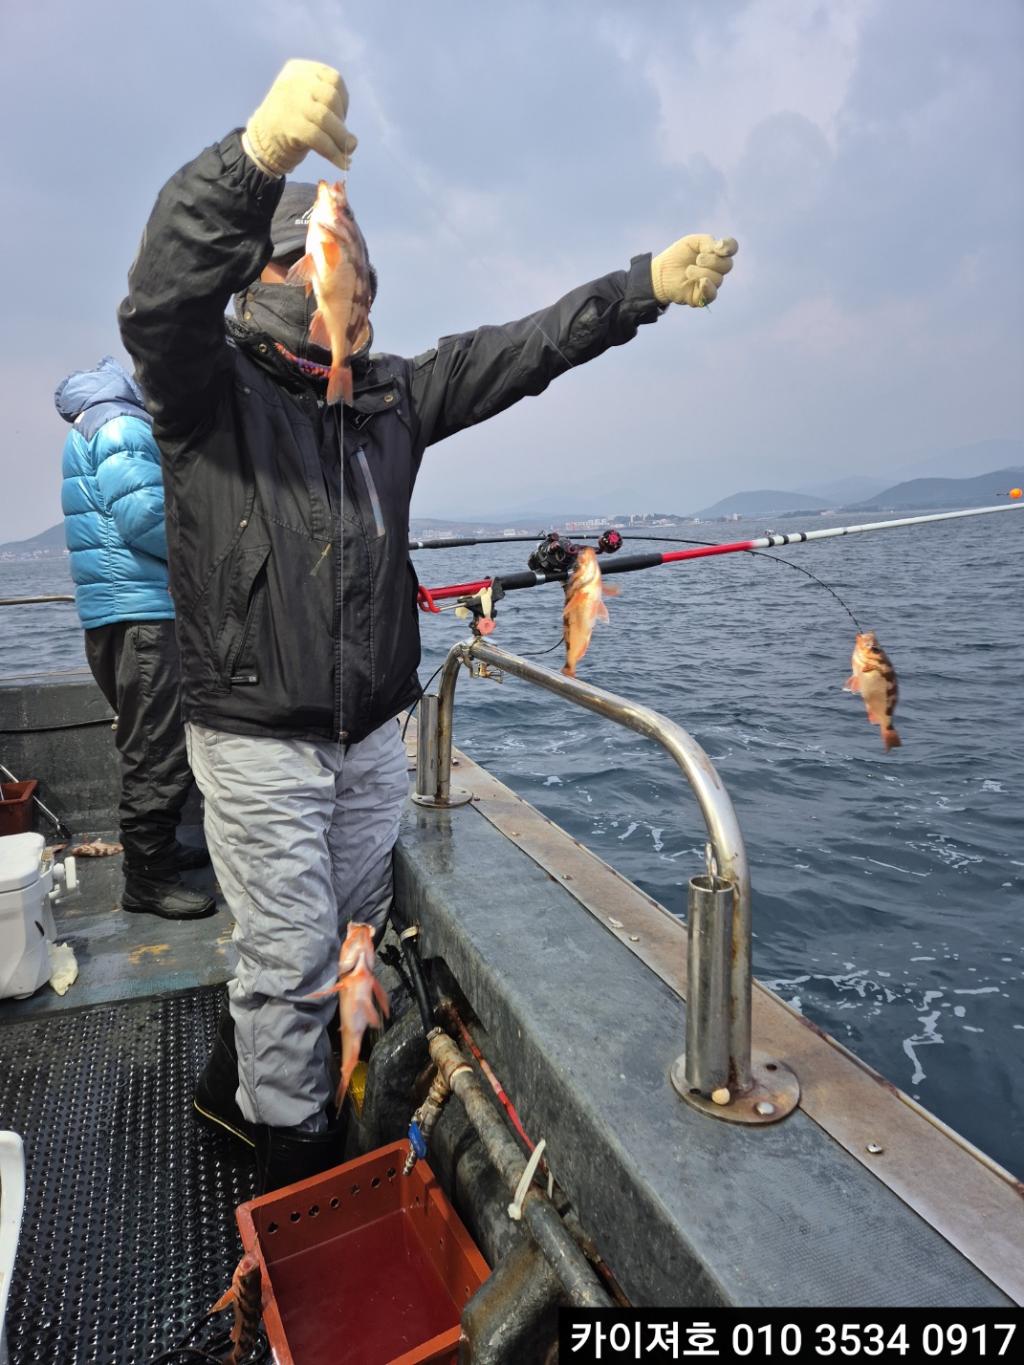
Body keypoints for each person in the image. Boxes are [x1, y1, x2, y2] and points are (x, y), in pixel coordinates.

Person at [118, 59, 737, 1191]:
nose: (345, 284)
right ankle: (293, 1173)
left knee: (348, 936)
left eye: (356, 271)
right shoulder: (205, 390)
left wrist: (640, 286)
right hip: (256, 739)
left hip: (368, 739)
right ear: (275, 270)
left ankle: (238, 1084)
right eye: (322, 260)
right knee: (293, 960)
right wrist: (255, 157)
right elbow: (159, 292)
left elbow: (523, 348)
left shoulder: (395, 397)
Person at [56, 358, 216, 921]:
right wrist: (214, 556)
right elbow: (148, 519)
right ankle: (147, 879)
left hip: (115, 613)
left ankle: (161, 849)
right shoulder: (123, 426)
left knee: (149, 739)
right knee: (155, 747)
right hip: (143, 614)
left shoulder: (93, 422)